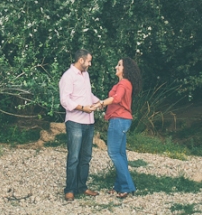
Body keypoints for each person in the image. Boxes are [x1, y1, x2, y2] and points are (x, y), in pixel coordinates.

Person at [94, 57, 142, 198]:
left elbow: (116, 99)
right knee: (120, 154)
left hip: (119, 120)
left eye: (119, 65)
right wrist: (101, 103)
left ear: (125, 69)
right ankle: (120, 186)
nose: (116, 67)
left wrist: (100, 103)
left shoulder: (123, 84)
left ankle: (127, 187)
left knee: (114, 153)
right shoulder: (125, 83)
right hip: (123, 120)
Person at [58, 49, 101, 202]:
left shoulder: (86, 75)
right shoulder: (68, 76)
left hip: (89, 122)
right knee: (74, 157)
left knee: (86, 157)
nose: (90, 64)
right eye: (88, 61)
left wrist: (97, 101)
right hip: (75, 122)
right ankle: (69, 189)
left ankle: (82, 186)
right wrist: (82, 108)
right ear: (81, 60)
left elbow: (87, 95)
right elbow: (65, 100)